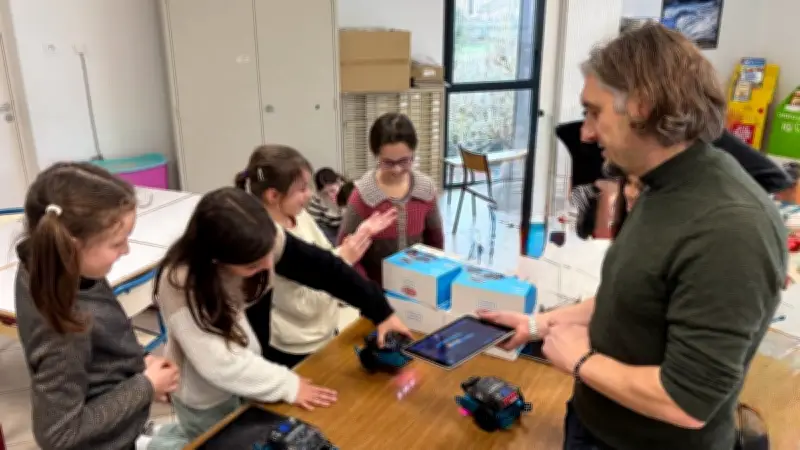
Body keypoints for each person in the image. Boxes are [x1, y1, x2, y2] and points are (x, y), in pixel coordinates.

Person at [481, 23, 786, 450]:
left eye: (594, 111)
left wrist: (580, 359)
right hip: (596, 421)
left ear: (640, 107)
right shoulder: (660, 185)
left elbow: (688, 401)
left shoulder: (729, 228)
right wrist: (540, 324)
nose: (585, 132)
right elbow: (634, 295)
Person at [154, 187, 409, 440]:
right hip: (207, 397)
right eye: (253, 265)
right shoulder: (180, 284)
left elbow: (324, 268)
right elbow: (220, 363)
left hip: (251, 371)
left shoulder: (261, 238)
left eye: (268, 256)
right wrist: (287, 385)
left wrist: (381, 311)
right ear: (216, 261)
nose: (268, 265)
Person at [14, 162, 186, 450]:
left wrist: (136, 365)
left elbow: (100, 347)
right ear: (71, 246)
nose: (126, 250)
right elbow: (58, 434)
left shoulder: (56, 263)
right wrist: (144, 386)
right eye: (117, 243)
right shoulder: (63, 328)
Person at [235, 145, 396, 367]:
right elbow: (305, 305)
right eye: (301, 189)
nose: (309, 194)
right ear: (273, 195)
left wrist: (356, 241)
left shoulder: (300, 217)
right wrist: (345, 259)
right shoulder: (266, 242)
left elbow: (325, 262)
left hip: (326, 333)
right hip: (295, 348)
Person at [338, 112, 445, 286]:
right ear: (376, 155)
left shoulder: (425, 190)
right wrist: (368, 290)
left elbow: (435, 244)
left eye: (404, 161)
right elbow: (345, 251)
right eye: (387, 162)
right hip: (374, 293)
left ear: (413, 154)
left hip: (418, 288)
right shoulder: (363, 196)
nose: (396, 169)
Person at [307, 167, 345, 242]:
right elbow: (313, 223)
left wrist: (342, 205)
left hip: (346, 225)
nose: (330, 195)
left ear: (339, 182)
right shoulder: (317, 198)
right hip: (328, 227)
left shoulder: (349, 191)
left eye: (332, 190)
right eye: (325, 193)